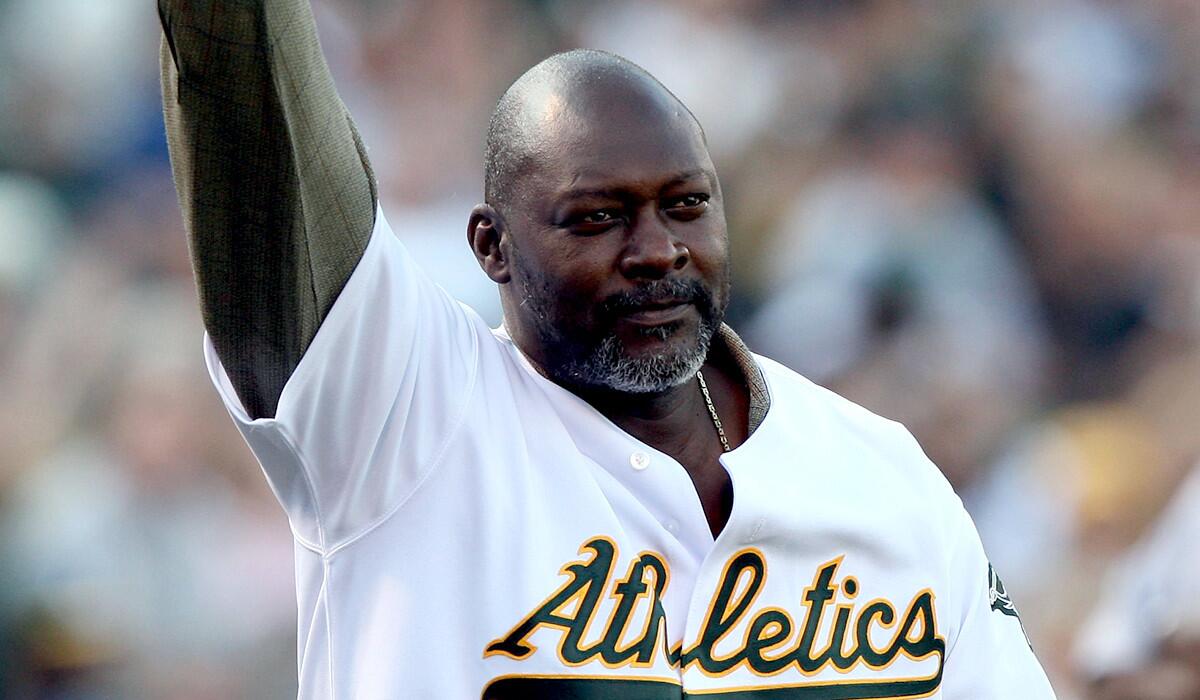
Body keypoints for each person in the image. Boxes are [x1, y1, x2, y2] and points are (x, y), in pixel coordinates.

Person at [158, 1, 1056, 697]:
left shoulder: (879, 475)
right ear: (491, 247)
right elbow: (244, 87)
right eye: (598, 217)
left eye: (686, 205)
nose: (657, 249)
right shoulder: (401, 416)